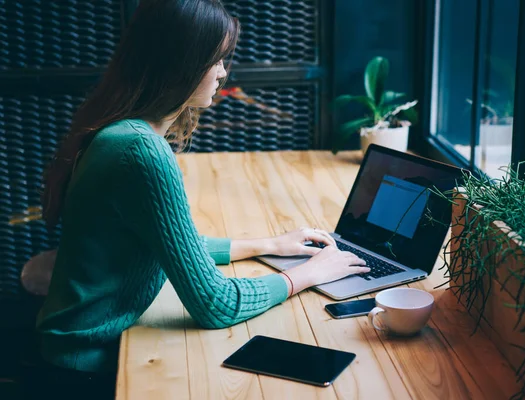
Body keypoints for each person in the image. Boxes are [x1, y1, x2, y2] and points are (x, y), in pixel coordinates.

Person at [30, 1, 368, 398]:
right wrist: (308, 274)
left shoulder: (121, 133)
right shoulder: (141, 150)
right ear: (181, 62)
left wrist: (270, 245)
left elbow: (165, 244)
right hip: (83, 369)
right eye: (217, 60)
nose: (224, 73)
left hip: (69, 352)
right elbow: (215, 304)